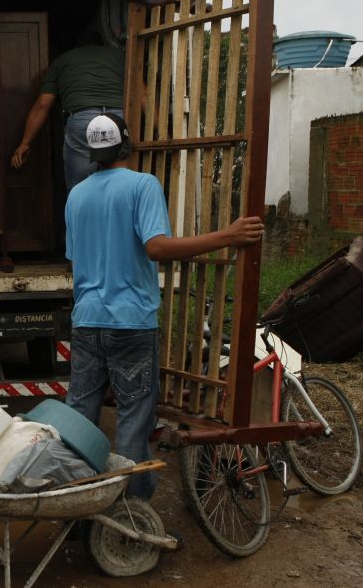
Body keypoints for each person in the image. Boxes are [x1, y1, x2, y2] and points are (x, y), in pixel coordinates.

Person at [64, 114, 265, 499]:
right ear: (128, 144)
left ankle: (75, 502)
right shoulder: (142, 185)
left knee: (79, 421)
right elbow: (156, 247)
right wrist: (229, 235)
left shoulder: (76, 195)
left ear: (92, 153)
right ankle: (131, 515)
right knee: (132, 425)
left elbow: (77, 258)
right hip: (131, 325)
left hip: (86, 322)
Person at [10, 28, 125, 190]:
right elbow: (143, 93)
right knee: (120, 182)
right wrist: (161, 133)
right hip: (117, 119)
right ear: (103, 44)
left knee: (80, 188)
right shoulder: (120, 57)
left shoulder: (62, 61)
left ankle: (82, 212)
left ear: (77, 47)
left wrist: (25, 143)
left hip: (83, 121)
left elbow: (43, 104)